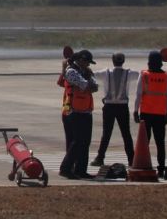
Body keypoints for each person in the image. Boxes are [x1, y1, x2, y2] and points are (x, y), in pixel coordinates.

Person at [91, 52, 139, 166]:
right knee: (126, 134)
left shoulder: (106, 73)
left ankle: (100, 158)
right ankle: (131, 159)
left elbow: (92, 74)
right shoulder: (129, 73)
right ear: (123, 61)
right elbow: (142, 74)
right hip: (122, 107)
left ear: (113, 60)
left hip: (109, 107)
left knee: (106, 133)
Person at [59, 49, 98, 179]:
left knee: (85, 142)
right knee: (76, 142)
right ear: (81, 60)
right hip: (72, 111)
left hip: (85, 111)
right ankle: (66, 168)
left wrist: (88, 84)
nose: (88, 65)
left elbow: (95, 86)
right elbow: (86, 86)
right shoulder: (71, 72)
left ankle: (81, 170)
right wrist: (88, 84)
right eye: (87, 62)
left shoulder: (84, 71)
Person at [133, 50, 167, 177]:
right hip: (160, 114)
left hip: (146, 113)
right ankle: (161, 169)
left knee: (145, 142)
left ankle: (144, 165)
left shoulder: (144, 75)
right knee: (160, 143)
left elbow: (138, 94)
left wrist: (135, 110)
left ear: (149, 61)